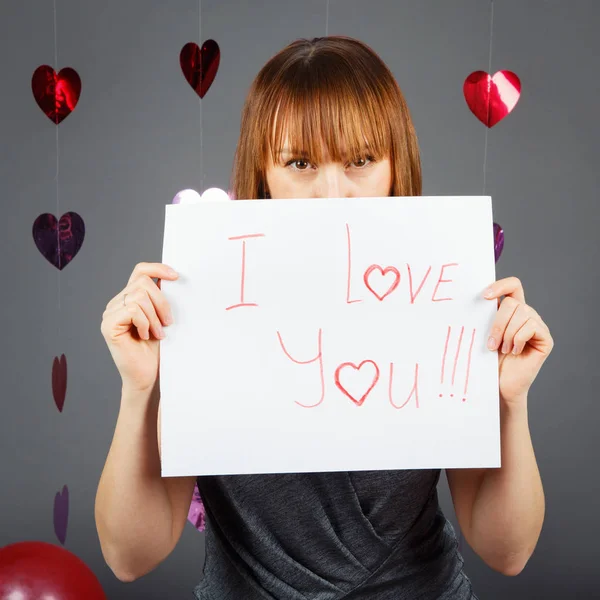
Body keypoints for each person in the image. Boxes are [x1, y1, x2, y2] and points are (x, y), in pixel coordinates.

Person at [96, 36, 554, 599]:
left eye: (361, 160)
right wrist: (139, 389)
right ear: (262, 176)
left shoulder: (444, 297)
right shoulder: (198, 301)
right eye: (300, 163)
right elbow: (128, 558)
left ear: (395, 168)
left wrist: (511, 402)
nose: (333, 193)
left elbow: (506, 552)